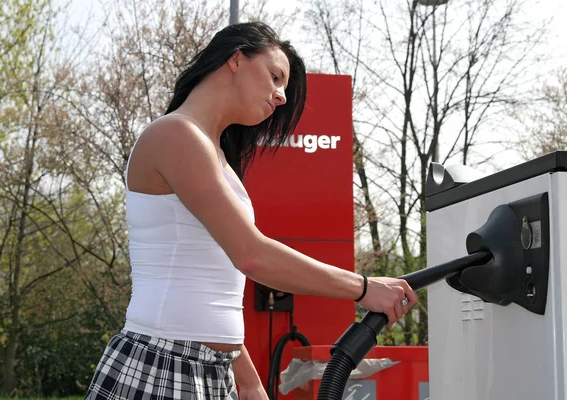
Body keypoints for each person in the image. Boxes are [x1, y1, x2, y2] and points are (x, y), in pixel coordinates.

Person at [85, 21, 418, 400]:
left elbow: (214, 280)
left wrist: (247, 379)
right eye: (275, 77)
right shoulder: (174, 134)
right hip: (164, 363)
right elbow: (252, 255)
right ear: (236, 59)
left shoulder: (217, 156)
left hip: (213, 371)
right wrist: (362, 288)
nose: (280, 97)